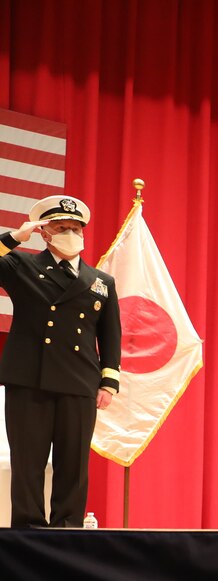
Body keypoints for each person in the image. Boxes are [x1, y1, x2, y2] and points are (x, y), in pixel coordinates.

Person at [0, 195, 121, 528]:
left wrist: (108, 382)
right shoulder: (22, 266)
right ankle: (28, 531)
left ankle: (68, 530)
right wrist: (14, 238)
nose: (71, 233)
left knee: (73, 465)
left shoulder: (101, 282)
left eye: (75, 227)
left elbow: (110, 337)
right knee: (28, 463)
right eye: (61, 227)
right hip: (29, 379)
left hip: (80, 382)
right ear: (45, 233)